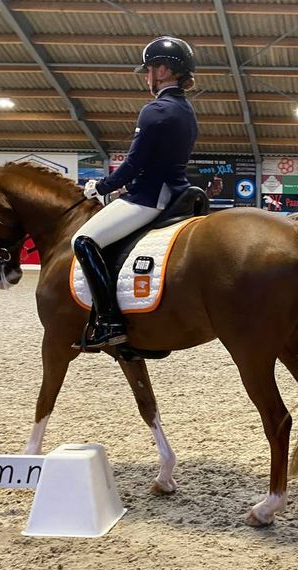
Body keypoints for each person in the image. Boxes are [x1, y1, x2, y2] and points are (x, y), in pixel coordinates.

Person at [72, 36, 199, 350]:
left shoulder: (156, 109)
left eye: (150, 69)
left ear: (165, 70)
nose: (147, 76)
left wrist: (100, 188)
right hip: (175, 192)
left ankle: (109, 321)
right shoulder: (186, 109)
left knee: (83, 241)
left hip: (150, 197)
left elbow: (134, 163)